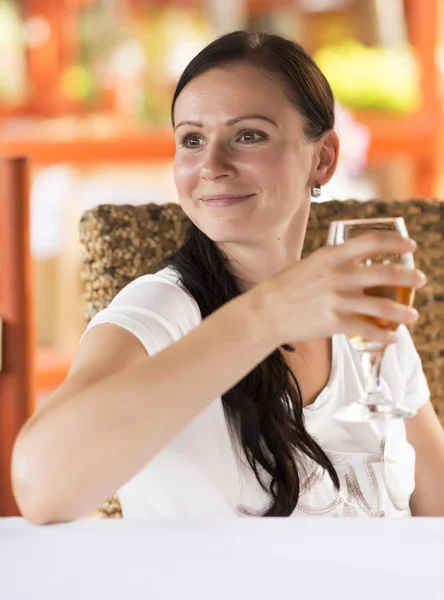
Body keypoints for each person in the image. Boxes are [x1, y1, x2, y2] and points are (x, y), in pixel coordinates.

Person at [12, 31, 444, 522]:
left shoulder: (367, 322)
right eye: (192, 140)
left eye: (248, 135)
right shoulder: (160, 311)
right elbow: (41, 486)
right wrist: (265, 316)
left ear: (322, 158)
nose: (211, 166)